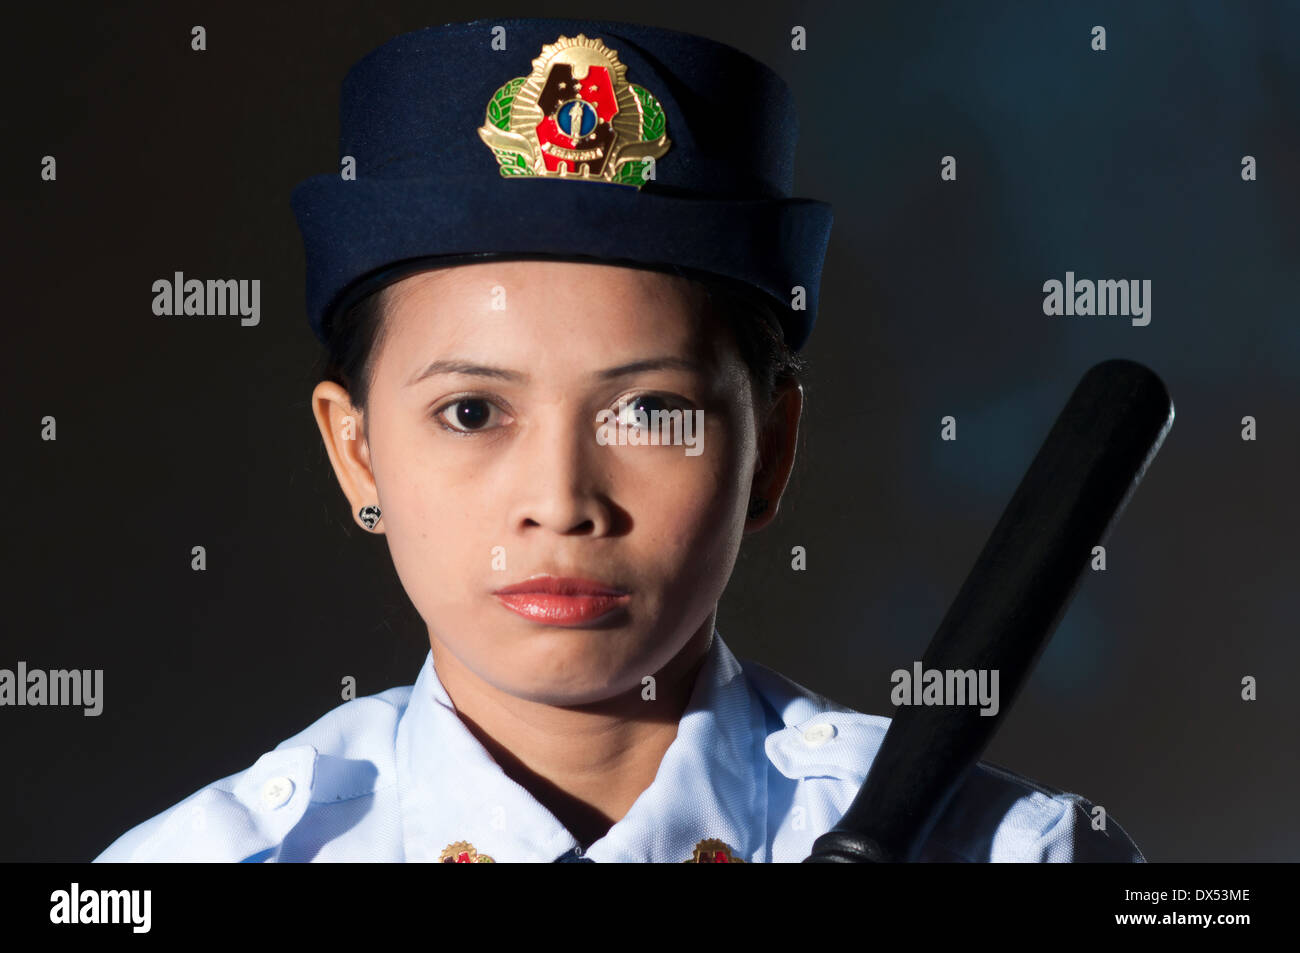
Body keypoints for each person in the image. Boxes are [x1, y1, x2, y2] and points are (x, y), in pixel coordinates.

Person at [94, 17, 1143, 863]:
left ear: (770, 450)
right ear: (357, 451)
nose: (560, 500)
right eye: (471, 411)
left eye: (649, 411)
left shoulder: (1013, 854)